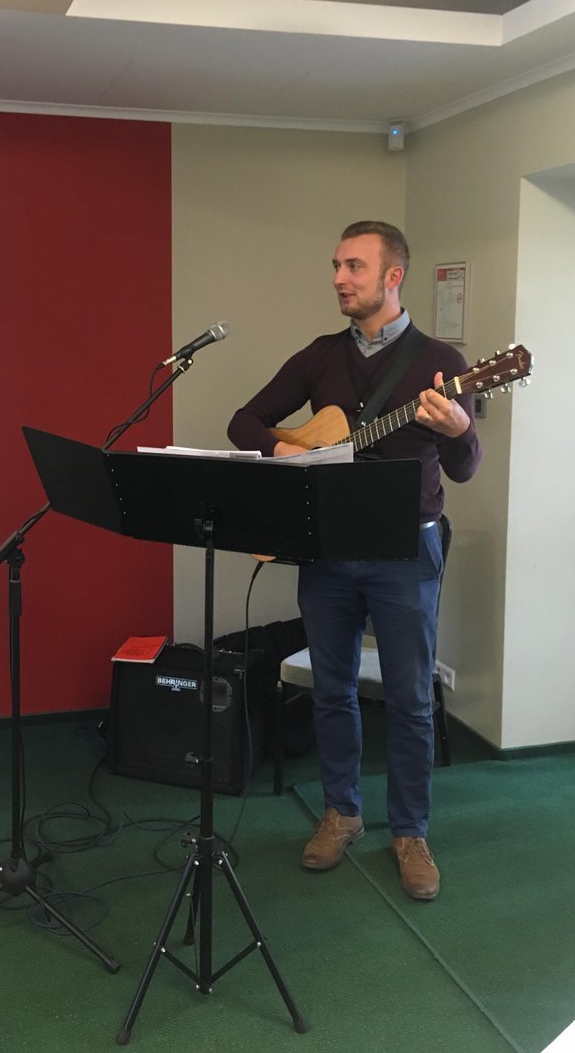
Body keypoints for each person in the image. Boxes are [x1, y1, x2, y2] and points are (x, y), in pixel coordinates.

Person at [227, 220, 481, 901]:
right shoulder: (319, 356)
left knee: (410, 698)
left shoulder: (443, 363)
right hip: (329, 548)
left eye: (355, 267)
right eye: (337, 265)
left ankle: (410, 832)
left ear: (393, 277)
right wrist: (289, 452)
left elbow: (465, 467)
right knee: (332, 688)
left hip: (407, 550)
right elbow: (244, 421)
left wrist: (459, 429)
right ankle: (341, 812)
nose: (340, 278)